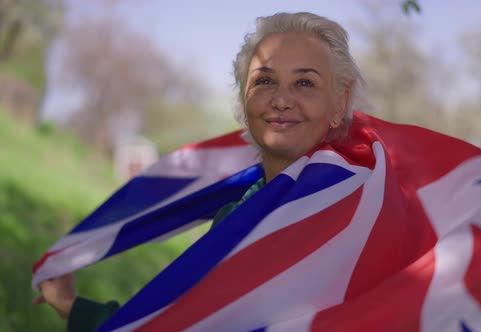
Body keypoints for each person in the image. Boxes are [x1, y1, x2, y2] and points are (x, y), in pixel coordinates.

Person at [33, 11, 367, 331]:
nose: (281, 99)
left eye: (305, 83)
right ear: (244, 97)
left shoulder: (353, 216)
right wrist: (73, 306)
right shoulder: (235, 209)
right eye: (264, 80)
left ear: (340, 103)